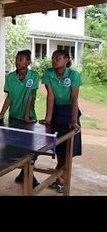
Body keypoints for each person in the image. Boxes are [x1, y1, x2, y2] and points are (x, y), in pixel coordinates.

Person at [39, 49, 82, 193]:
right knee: (60, 150)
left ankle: (61, 180)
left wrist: (74, 120)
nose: (54, 60)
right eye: (53, 58)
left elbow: (75, 98)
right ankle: (59, 179)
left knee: (68, 151)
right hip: (57, 112)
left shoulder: (73, 75)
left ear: (66, 60)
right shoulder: (48, 74)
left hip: (70, 112)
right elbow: (50, 97)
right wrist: (48, 119)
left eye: (58, 58)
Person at [0, 49, 40, 188]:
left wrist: (27, 116)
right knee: (14, 149)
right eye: (16, 58)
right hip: (14, 118)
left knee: (31, 150)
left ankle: (27, 174)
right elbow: (9, 97)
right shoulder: (10, 77)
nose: (17, 61)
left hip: (29, 119)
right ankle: (25, 174)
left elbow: (29, 96)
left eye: (21, 59)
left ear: (28, 62)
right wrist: (2, 113)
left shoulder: (33, 75)